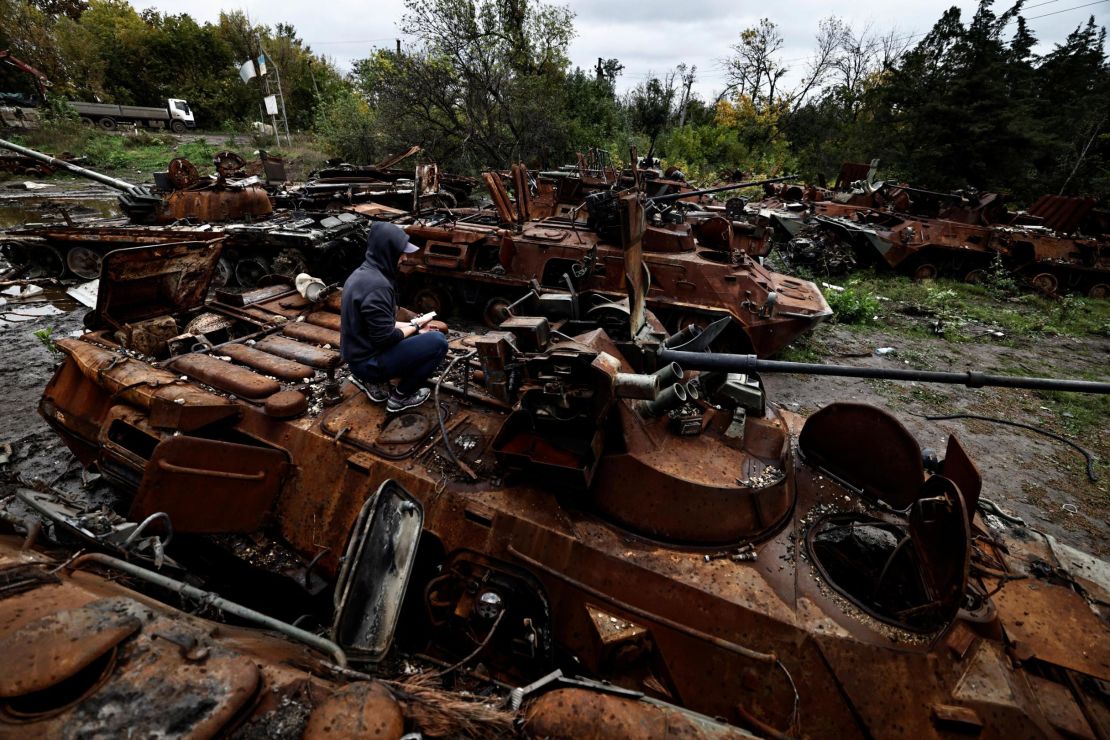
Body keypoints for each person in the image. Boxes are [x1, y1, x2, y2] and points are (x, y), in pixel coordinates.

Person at [340, 222, 448, 412]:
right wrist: (415, 327)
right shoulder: (378, 287)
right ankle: (400, 397)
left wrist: (415, 324)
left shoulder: (362, 274)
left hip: (357, 355)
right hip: (368, 363)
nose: (405, 258)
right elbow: (385, 338)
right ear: (387, 252)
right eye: (401, 253)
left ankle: (368, 378)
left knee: (419, 334)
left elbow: (381, 325)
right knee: (438, 342)